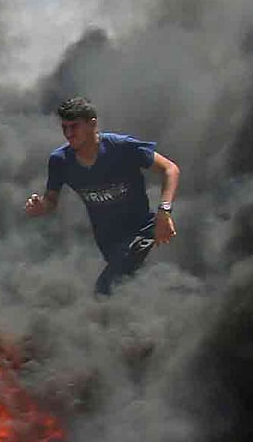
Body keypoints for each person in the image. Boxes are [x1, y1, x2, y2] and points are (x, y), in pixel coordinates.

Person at [24, 97, 180, 295]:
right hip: (108, 244)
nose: (69, 134)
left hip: (141, 234)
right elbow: (51, 200)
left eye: (75, 126)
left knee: (104, 292)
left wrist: (164, 211)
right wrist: (41, 206)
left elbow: (170, 169)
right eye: (64, 127)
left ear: (92, 124)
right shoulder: (60, 161)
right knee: (133, 293)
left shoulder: (121, 148)